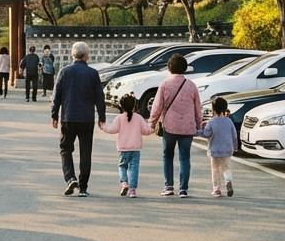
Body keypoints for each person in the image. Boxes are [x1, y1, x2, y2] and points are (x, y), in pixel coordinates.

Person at [50, 41, 106, 196]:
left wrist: (54, 115)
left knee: (65, 149)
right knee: (86, 152)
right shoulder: (93, 73)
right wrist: (102, 117)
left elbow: (57, 95)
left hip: (68, 117)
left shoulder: (64, 72)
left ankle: (70, 178)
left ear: (72, 55)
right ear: (87, 56)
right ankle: (83, 188)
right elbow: (99, 97)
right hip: (86, 118)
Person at [148, 54, 203, 198]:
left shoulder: (165, 84)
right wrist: (199, 124)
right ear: (184, 68)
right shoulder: (191, 85)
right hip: (187, 128)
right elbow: (198, 108)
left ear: (169, 67)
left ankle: (168, 186)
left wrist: (152, 122)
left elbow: (157, 106)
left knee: (168, 156)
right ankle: (183, 189)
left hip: (169, 126)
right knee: (185, 158)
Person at [99, 92, 153, 196]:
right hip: (135, 148)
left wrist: (103, 126)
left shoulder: (119, 118)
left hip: (123, 149)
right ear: (134, 106)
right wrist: (153, 127)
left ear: (122, 106)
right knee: (134, 168)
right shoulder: (138, 118)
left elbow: (112, 129)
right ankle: (132, 190)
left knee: (122, 166)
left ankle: (124, 183)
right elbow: (146, 131)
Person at [199, 95, 239, 197]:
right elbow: (234, 134)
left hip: (215, 150)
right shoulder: (229, 121)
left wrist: (198, 131)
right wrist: (235, 147)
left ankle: (216, 189)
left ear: (213, 109)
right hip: (227, 150)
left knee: (215, 169)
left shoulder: (211, 122)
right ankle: (228, 182)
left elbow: (206, 133)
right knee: (226, 168)